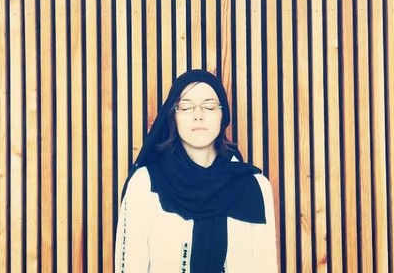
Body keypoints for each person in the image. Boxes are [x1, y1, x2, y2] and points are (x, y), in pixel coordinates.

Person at [115, 69, 278, 272]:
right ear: (173, 116)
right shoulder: (145, 184)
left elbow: (266, 266)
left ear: (223, 115)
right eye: (186, 107)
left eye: (209, 107)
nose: (198, 115)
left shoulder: (255, 186)